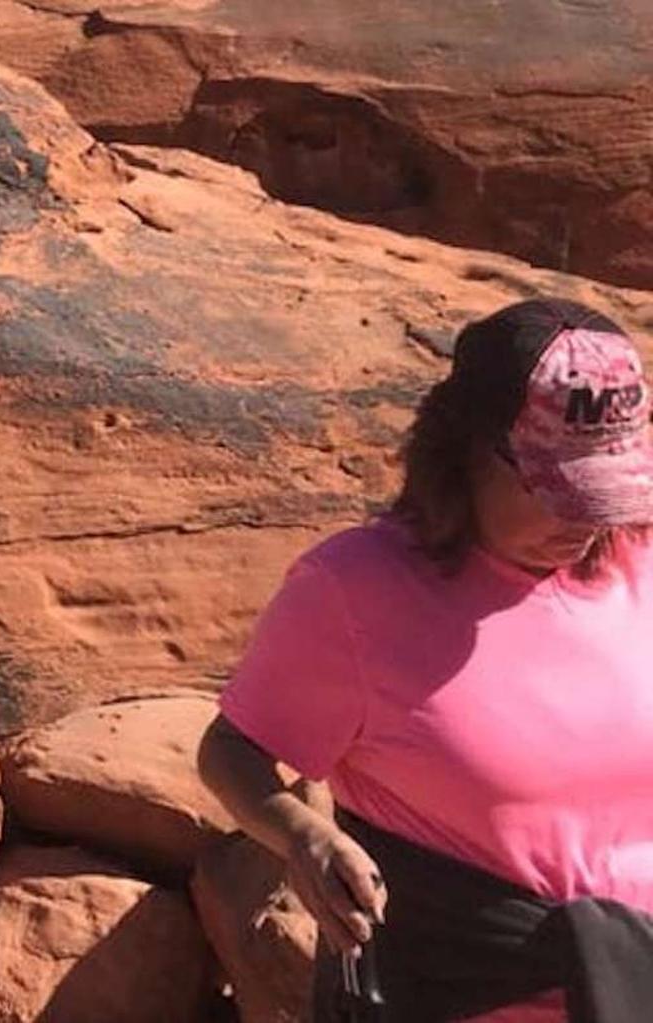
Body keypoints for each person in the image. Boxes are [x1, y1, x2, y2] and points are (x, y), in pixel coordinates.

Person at [198, 298, 653, 1022]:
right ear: (470, 447)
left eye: (608, 490)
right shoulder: (354, 591)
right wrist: (303, 836)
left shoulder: (641, 561)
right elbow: (231, 750)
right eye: (558, 490)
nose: (586, 521)